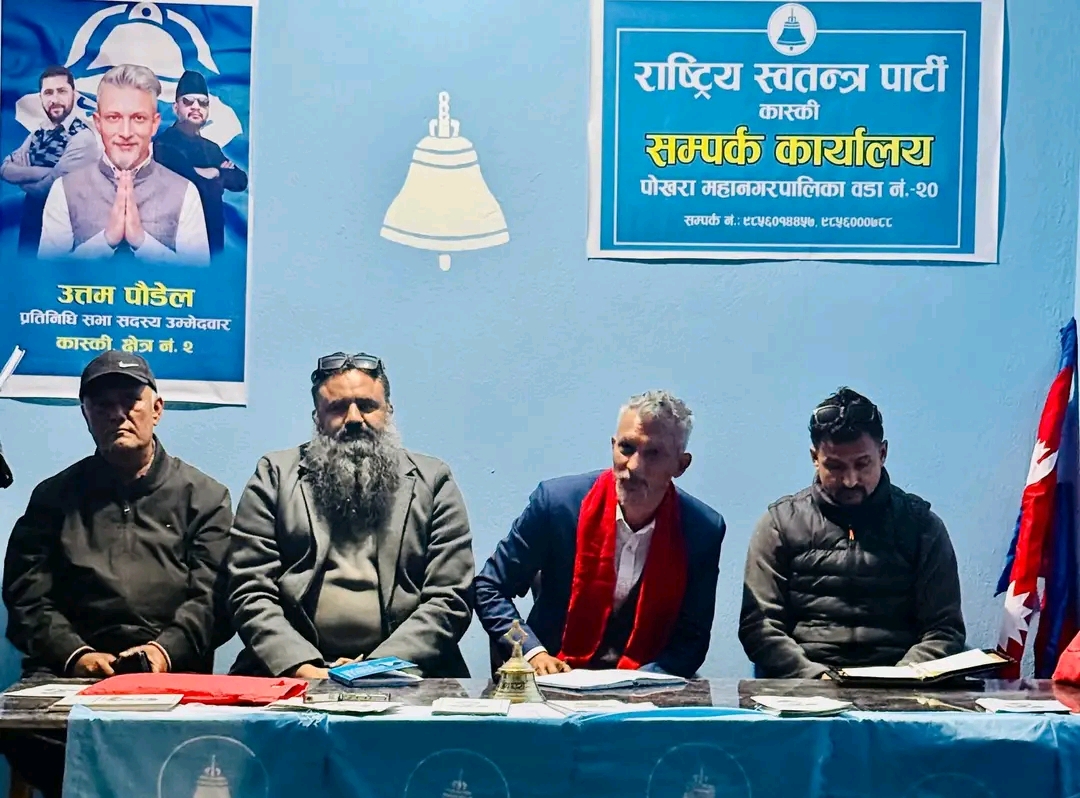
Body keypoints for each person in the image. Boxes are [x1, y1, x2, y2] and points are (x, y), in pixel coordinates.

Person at [1, 351, 233, 798]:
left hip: (171, 672)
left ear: (157, 409)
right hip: (69, 675)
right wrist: (76, 655)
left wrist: (163, 652)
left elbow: (215, 597)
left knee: (201, 740)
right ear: (86, 415)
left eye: (130, 401)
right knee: (21, 731)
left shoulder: (205, 497)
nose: (117, 413)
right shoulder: (52, 498)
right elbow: (26, 596)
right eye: (102, 405)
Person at [228, 352, 474, 679]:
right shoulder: (275, 475)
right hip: (294, 672)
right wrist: (303, 667)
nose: (354, 418)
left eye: (368, 406)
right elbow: (249, 588)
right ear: (317, 418)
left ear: (388, 411)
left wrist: (374, 669)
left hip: (407, 672)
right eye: (338, 407)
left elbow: (450, 596)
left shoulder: (433, 481)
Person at [474, 391, 725, 678]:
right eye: (627, 448)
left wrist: (643, 680)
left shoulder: (702, 530)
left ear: (681, 465)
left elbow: (691, 639)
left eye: (653, 453)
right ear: (613, 445)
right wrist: (532, 651)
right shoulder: (556, 505)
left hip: (646, 685)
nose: (634, 466)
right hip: (552, 677)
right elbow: (489, 588)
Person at [739, 387, 966, 679]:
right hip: (804, 686)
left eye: (862, 464)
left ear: (882, 454)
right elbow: (761, 627)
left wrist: (899, 679)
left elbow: (944, 629)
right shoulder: (779, 524)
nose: (850, 480)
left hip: (903, 686)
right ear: (814, 457)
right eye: (834, 466)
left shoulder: (922, 526)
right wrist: (815, 677)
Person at [38, 64, 210, 265]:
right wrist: (105, 241)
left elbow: (199, 280)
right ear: (98, 123)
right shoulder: (64, 190)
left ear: (154, 124)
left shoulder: (186, 193)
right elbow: (48, 278)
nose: (126, 132)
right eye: (113, 117)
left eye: (138, 118)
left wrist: (142, 242)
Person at [0, 65, 100, 254]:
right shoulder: (38, 133)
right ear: (41, 97)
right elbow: (5, 168)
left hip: (65, 225)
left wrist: (23, 179)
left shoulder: (83, 137)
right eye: (48, 93)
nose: (54, 99)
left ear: (73, 94)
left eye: (61, 91)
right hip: (31, 221)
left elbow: (50, 188)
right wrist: (46, 172)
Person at [154, 70, 248, 257]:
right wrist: (215, 174)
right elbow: (187, 178)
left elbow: (240, 181)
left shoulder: (211, 148)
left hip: (214, 241)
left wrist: (215, 172)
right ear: (176, 108)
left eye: (203, 102)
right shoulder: (163, 144)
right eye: (188, 101)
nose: (196, 107)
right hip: (178, 240)